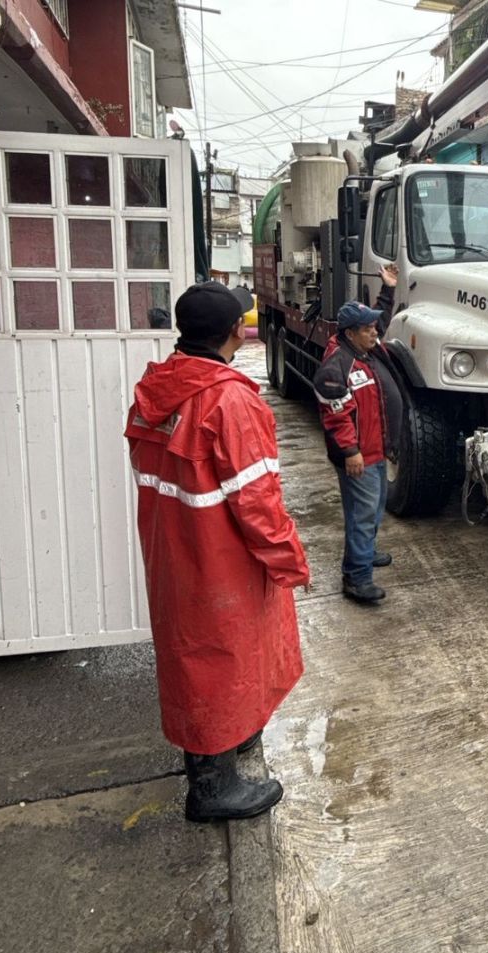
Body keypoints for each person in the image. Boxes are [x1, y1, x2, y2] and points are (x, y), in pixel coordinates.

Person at [125, 282, 311, 824]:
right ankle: (211, 787)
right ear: (238, 331)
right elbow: (258, 502)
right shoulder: (229, 400)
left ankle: (232, 739)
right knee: (219, 660)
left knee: (195, 655)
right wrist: (291, 562)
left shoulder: (156, 386)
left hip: (173, 548)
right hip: (221, 560)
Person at [314, 265, 403, 605]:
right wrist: (350, 452)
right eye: (367, 329)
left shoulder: (364, 349)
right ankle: (357, 576)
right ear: (350, 333)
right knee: (363, 512)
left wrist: (387, 289)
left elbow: (379, 322)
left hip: (376, 451)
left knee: (372, 508)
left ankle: (364, 550)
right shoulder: (337, 367)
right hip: (359, 456)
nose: (374, 333)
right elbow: (336, 417)